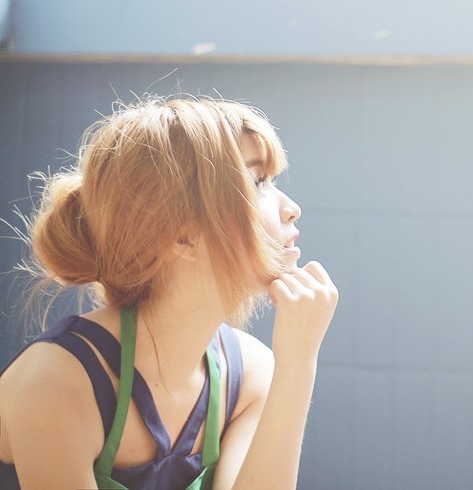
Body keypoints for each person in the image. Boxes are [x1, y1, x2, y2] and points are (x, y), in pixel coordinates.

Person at [0, 96, 338, 489]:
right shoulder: (56, 381)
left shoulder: (250, 373)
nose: (292, 208)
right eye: (258, 182)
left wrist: (297, 363)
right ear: (183, 234)